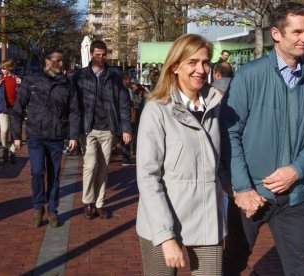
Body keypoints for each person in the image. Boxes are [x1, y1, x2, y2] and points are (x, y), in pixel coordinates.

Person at [220, 2, 304, 275]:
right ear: (277, 33)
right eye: (298, 32)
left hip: (294, 196)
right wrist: (243, 188)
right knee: (233, 261)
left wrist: (296, 170)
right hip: (252, 195)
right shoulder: (249, 76)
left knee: (302, 268)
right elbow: (229, 132)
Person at [136, 34, 226, 275]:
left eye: (205, 63)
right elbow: (147, 176)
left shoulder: (216, 106)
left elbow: (223, 162)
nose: (201, 70)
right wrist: (165, 236)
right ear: (175, 66)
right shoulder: (157, 110)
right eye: (192, 62)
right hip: (164, 218)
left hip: (208, 219)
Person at [11, 49, 80, 228]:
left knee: (54, 176)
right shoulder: (32, 81)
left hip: (56, 137)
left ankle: (52, 210)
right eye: (57, 60)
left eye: (62, 61)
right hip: (35, 136)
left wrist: (73, 135)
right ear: (47, 62)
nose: (61, 64)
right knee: (37, 172)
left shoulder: (67, 84)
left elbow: (74, 111)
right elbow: (18, 109)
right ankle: (37, 207)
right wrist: (16, 136)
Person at [73, 40, 132, 220]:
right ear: (91, 54)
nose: (101, 58)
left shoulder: (114, 76)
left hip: (108, 128)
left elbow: (123, 103)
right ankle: (87, 202)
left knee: (103, 168)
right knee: (90, 165)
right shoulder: (80, 76)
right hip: (88, 128)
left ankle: (99, 203)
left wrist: (126, 128)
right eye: (97, 54)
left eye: (104, 55)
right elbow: (74, 105)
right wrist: (73, 132)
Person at [0, 59, 21, 163]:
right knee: (4, 130)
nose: (2, 70)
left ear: (9, 68)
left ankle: (12, 151)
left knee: (15, 131)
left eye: (4, 68)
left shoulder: (16, 78)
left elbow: (24, 92)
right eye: (1, 68)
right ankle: (5, 149)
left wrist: (22, 83)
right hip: (2, 108)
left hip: (15, 108)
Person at [120, 71, 136, 166]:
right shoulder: (125, 89)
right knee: (126, 136)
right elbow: (130, 102)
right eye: (129, 79)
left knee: (125, 137)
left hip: (124, 116)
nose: (130, 81)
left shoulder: (124, 88)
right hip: (126, 116)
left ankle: (126, 156)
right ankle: (126, 157)